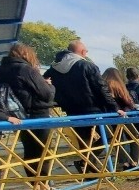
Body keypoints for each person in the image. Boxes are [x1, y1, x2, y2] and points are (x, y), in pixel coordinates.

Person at [44, 40, 126, 175]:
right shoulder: (87, 66)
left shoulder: (53, 69)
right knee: (110, 135)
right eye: (86, 50)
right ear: (82, 52)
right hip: (92, 109)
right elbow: (100, 88)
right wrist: (114, 107)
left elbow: (45, 83)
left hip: (71, 109)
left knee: (84, 141)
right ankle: (85, 163)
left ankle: (88, 170)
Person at [0, 43, 56, 190]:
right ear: (27, 55)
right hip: (37, 114)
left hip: (17, 116)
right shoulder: (25, 69)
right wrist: (49, 85)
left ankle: (36, 186)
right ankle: (45, 186)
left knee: (29, 151)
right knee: (43, 151)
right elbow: (46, 94)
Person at [102, 68, 139, 170]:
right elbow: (127, 101)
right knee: (135, 136)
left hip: (108, 116)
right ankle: (134, 161)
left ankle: (123, 162)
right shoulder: (117, 84)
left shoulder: (102, 86)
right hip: (121, 115)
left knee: (118, 139)